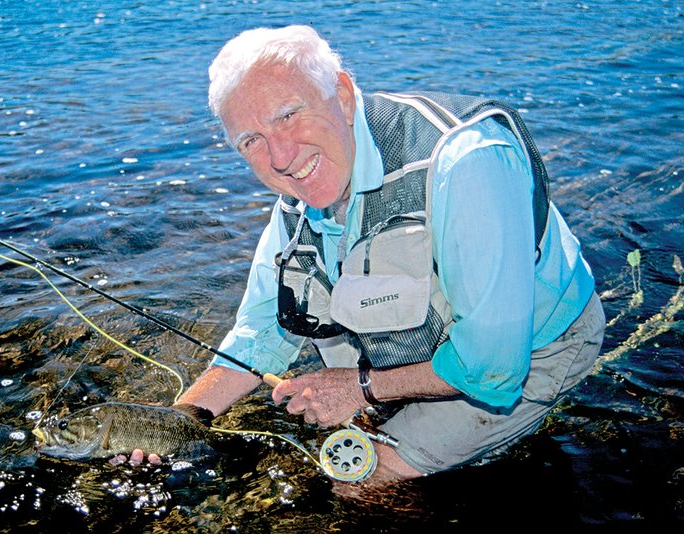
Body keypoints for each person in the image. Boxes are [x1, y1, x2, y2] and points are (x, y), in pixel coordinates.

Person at [129, 25, 606, 484]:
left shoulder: (465, 162)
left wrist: (357, 388)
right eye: (251, 141)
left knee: (360, 480)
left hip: (535, 349)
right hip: (420, 344)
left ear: (341, 94)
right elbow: (261, 331)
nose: (279, 157)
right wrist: (179, 421)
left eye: (287, 115)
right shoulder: (299, 191)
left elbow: (493, 368)